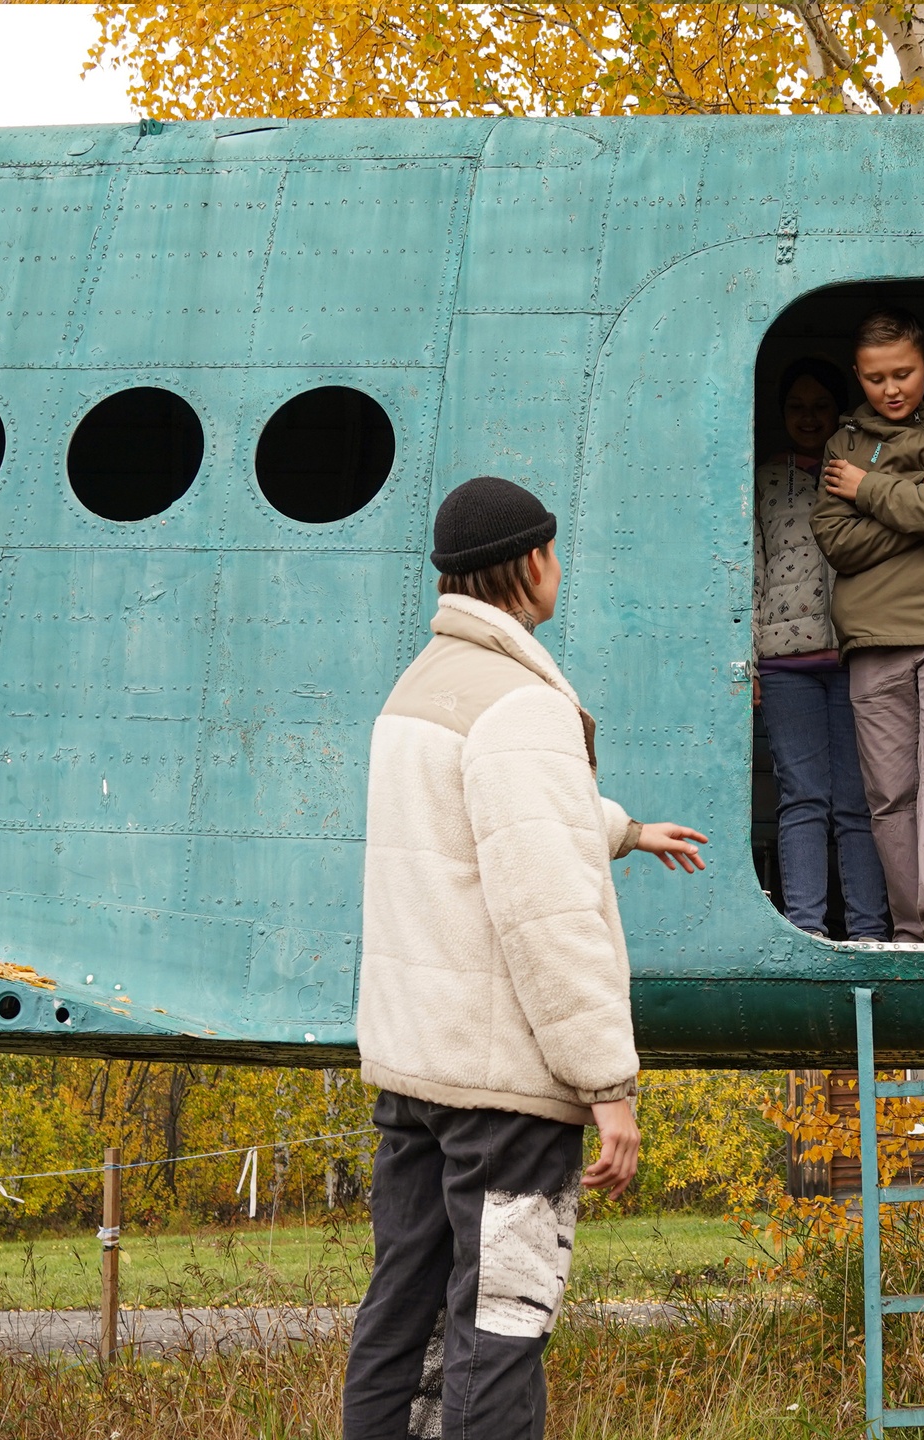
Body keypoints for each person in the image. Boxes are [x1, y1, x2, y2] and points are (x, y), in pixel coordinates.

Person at [343, 475, 709, 1439]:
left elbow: (483, 826)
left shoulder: (418, 692)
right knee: (500, 1330)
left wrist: (621, 828)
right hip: (503, 1092)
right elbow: (548, 909)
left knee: (400, 1314)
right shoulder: (521, 705)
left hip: (418, 1071)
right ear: (535, 563)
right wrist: (608, 1084)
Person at [808, 307, 924, 944]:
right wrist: (921, 488)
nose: (890, 389)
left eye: (904, 373)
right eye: (874, 378)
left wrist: (869, 491)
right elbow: (837, 543)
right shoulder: (843, 448)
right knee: (889, 794)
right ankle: (916, 928)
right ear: (857, 377)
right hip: (872, 640)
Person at [754, 358, 891, 941]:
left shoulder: (864, 469)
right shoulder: (761, 478)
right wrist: (749, 655)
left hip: (855, 656)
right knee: (802, 798)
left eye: (819, 406)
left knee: (860, 804)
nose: (807, 418)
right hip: (784, 664)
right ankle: (805, 928)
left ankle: (867, 931)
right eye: (795, 407)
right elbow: (749, 571)